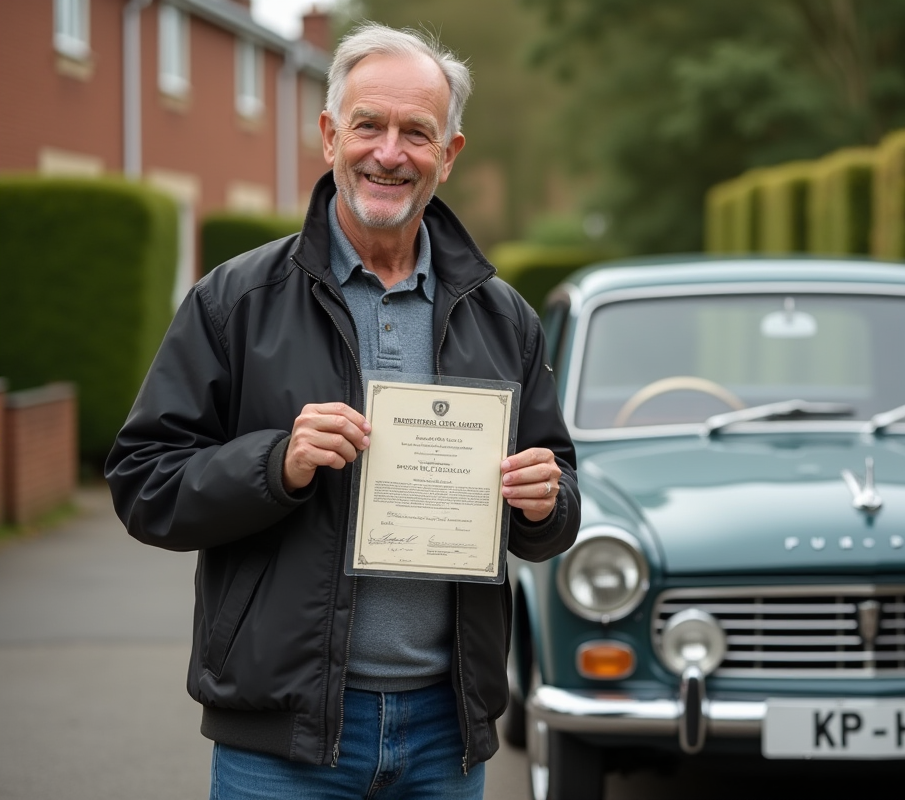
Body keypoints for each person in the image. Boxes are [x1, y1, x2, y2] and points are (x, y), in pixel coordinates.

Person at [105, 23, 580, 800]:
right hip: (283, 739)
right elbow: (142, 483)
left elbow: (558, 506)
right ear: (330, 135)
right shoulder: (234, 303)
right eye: (369, 125)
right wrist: (275, 464)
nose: (389, 152)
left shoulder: (506, 320)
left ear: (448, 154)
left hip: (445, 734)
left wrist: (544, 500)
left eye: (416, 133)